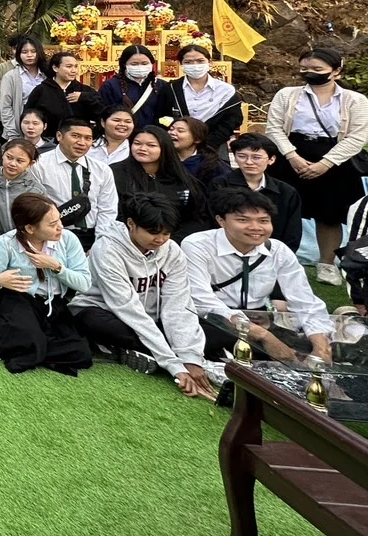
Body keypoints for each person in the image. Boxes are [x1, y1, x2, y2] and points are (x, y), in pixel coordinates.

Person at [71, 193, 214, 398]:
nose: (160, 239)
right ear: (131, 224)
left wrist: (190, 358)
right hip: (108, 311)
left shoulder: (172, 251)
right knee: (92, 321)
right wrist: (174, 365)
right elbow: (127, 308)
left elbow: (178, 305)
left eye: (167, 233)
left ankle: (139, 351)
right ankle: (154, 351)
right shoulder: (107, 249)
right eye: (153, 232)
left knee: (214, 331)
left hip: (152, 318)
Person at [182, 186, 334, 361]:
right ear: (221, 221)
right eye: (243, 220)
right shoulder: (197, 245)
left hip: (259, 318)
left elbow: (305, 301)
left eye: (263, 221)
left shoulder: (279, 250)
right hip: (215, 319)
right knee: (207, 337)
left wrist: (320, 344)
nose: (255, 227)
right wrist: (262, 335)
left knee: (323, 343)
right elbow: (202, 300)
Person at [264, 47, 368, 287]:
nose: (309, 72)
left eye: (317, 69)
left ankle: (327, 265)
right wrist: (292, 156)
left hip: (336, 159)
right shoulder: (287, 95)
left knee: (329, 215)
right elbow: (274, 128)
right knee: (279, 209)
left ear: (336, 71)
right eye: (304, 68)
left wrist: (326, 163)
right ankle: (275, 260)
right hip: (291, 154)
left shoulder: (355, 100)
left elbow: (357, 136)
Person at [0, 192, 93, 374]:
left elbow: (84, 283)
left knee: (82, 353)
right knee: (32, 338)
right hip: (17, 298)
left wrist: (57, 267)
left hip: (53, 303)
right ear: (29, 228)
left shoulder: (68, 240)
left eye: (59, 220)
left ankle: (21, 345)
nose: (60, 226)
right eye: (52, 224)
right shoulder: (5, 243)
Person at [111, 124, 212, 239]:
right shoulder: (115, 173)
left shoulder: (180, 177)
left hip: (174, 241)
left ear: (165, 148)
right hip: (128, 238)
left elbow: (197, 217)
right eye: (137, 143)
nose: (142, 149)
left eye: (151, 145)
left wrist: (173, 240)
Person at [30, 117, 118, 249]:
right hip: (54, 236)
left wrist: (99, 244)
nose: (82, 143)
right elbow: (34, 205)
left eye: (88, 138)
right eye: (76, 136)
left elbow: (107, 209)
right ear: (59, 136)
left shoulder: (102, 170)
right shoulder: (39, 165)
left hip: (92, 236)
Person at [214, 133, 303, 252]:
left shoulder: (286, 192)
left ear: (271, 159)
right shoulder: (220, 185)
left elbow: (292, 232)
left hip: (272, 252)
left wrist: (282, 254)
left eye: (256, 157)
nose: (249, 162)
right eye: (242, 156)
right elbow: (213, 222)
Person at [161, 43, 243, 149]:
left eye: (200, 61)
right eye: (188, 62)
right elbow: (162, 116)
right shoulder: (171, 89)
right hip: (177, 146)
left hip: (214, 147)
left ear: (209, 62)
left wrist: (209, 144)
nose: (195, 65)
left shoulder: (226, 91)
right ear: (181, 64)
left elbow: (232, 120)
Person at [25, 51, 101, 139]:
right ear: (55, 68)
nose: (74, 70)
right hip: (49, 140)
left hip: (80, 140)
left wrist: (84, 97)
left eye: (76, 66)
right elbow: (29, 114)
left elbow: (101, 113)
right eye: (69, 66)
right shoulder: (41, 90)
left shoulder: (85, 91)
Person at [98, 45, 170, 129]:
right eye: (134, 64)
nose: (140, 67)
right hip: (123, 133)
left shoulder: (162, 85)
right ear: (124, 64)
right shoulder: (110, 86)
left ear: (152, 63)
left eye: (144, 63)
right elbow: (104, 113)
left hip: (154, 134)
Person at [0, 139, 46, 236]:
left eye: (20, 161)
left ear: (31, 164)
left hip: (23, 241)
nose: (12, 164)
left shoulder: (36, 190)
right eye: (9, 157)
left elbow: (41, 221)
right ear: (2, 154)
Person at [0, 35, 49, 137]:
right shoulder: (11, 77)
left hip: (45, 126)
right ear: (18, 54)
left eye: (33, 51)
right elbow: (6, 107)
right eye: (24, 52)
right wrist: (13, 132)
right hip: (19, 126)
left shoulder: (47, 75)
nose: (29, 55)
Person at [170, 116, 229, 185]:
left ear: (197, 139)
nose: (172, 133)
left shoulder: (212, 165)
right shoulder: (162, 158)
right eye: (171, 129)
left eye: (180, 131)